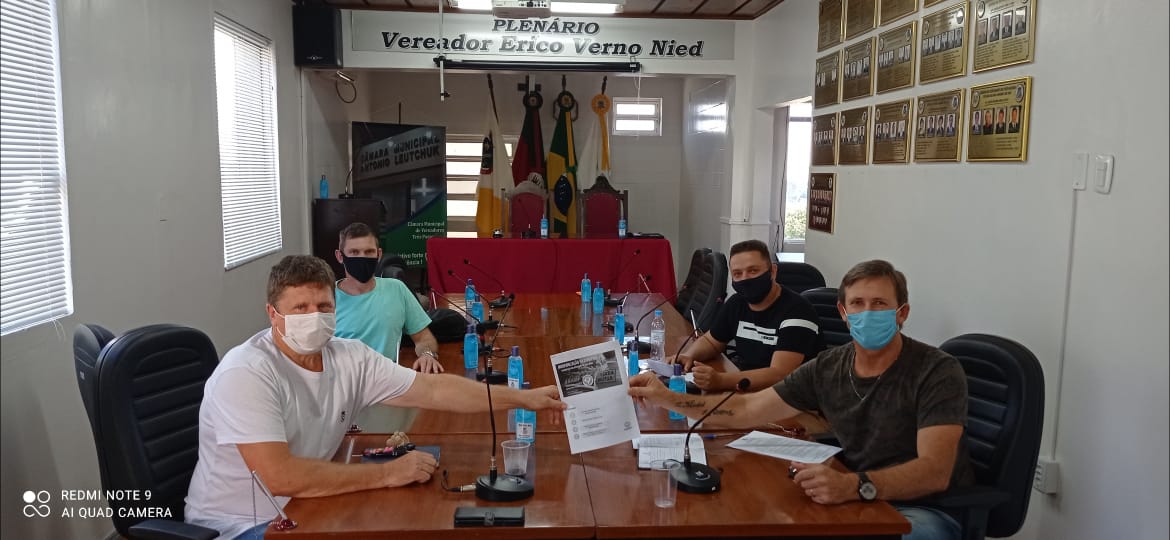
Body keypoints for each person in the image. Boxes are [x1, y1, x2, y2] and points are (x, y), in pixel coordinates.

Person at [185, 255, 565, 539]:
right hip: (243, 525)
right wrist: (387, 473)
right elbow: (279, 477)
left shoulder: (348, 356)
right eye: (300, 309)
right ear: (273, 314)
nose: (314, 317)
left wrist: (520, 399)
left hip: (310, 505)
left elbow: (433, 389)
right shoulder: (248, 372)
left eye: (323, 307)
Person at [630, 259, 972, 540]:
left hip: (926, 508)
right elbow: (747, 408)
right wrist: (667, 398)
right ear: (842, 311)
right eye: (857, 304)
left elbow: (934, 472)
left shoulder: (936, 370)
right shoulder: (830, 365)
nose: (867, 313)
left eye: (879, 304)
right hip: (853, 490)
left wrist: (853, 486)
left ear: (902, 313)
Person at [668, 240, 822, 392]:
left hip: (793, 398)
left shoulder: (798, 311)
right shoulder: (736, 303)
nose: (745, 278)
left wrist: (720, 380)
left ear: (773, 272)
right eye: (737, 274)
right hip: (748, 388)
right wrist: (689, 356)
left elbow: (779, 374)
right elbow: (712, 341)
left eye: (753, 271)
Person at [333, 222, 442, 373]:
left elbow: (424, 337)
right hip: (343, 382)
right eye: (354, 252)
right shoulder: (325, 298)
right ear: (340, 256)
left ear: (378, 255)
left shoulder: (397, 289)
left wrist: (428, 354)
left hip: (387, 381)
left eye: (369, 252)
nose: (362, 258)